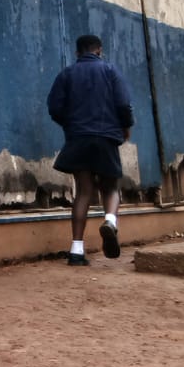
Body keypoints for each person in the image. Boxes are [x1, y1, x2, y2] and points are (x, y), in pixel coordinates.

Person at [47, 34, 135, 266]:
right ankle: (110, 221)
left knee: (84, 191)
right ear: (99, 50)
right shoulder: (110, 70)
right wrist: (125, 127)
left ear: (77, 52)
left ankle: (76, 251)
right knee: (110, 186)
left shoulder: (66, 74)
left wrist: (71, 125)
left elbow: (54, 107)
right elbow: (123, 104)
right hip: (106, 136)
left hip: (78, 137)